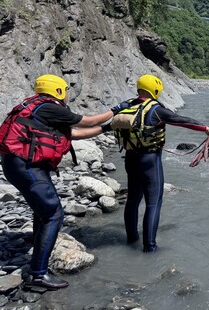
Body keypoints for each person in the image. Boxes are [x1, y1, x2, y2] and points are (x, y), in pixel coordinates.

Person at [0, 74, 129, 290]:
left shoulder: (39, 108)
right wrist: (117, 109)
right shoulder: (49, 107)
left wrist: (108, 128)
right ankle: (38, 275)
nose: (67, 94)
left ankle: (38, 246)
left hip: (20, 164)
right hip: (25, 166)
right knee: (53, 213)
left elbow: (75, 134)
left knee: (43, 210)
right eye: (65, 90)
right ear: (58, 90)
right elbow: (87, 121)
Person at [110, 74, 209, 253]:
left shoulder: (129, 105)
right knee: (153, 203)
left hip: (130, 158)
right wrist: (206, 128)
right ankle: (149, 247)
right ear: (156, 89)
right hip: (149, 160)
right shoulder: (156, 109)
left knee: (133, 200)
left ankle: (131, 240)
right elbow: (182, 120)